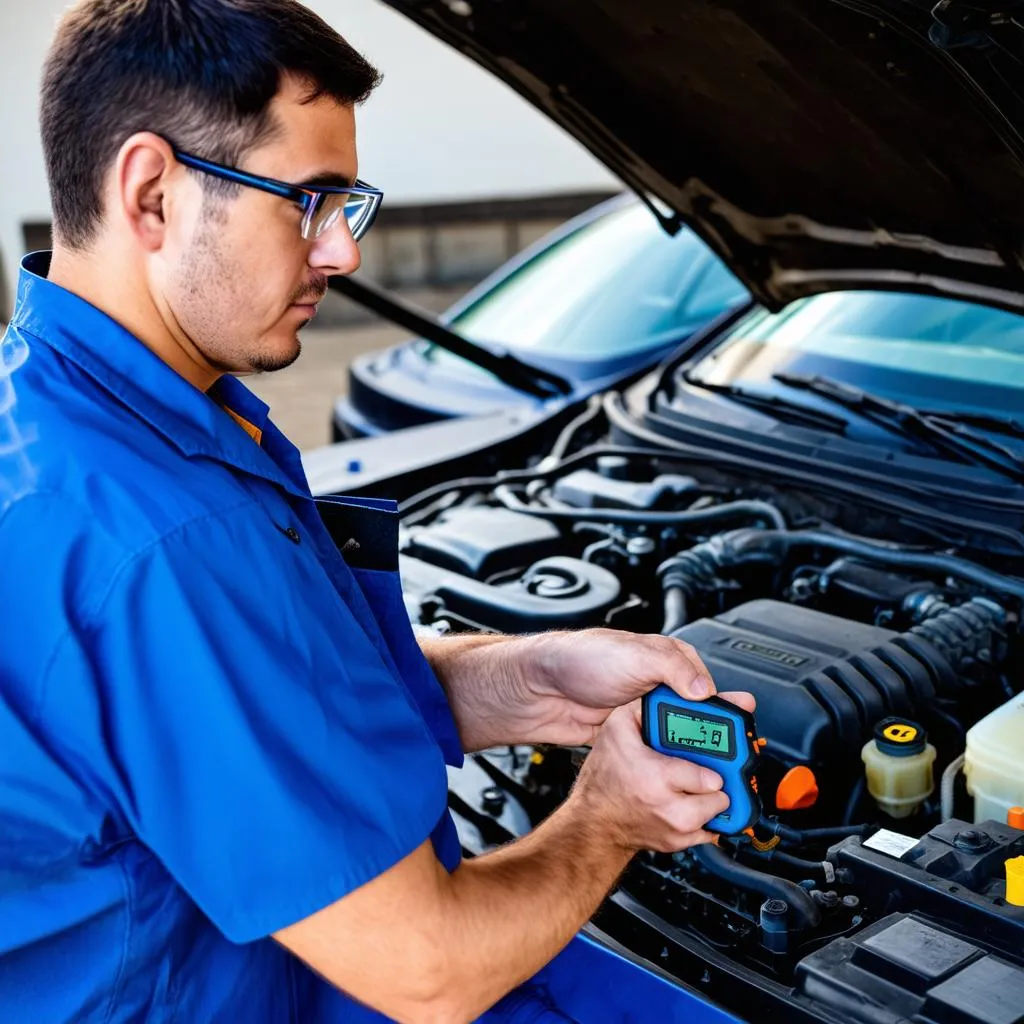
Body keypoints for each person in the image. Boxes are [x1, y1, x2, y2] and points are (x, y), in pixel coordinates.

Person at [0, 1, 753, 1020]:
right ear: (152, 193)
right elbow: (427, 971)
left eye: (347, 205)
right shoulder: (159, 537)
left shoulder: (67, 407)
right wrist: (606, 819)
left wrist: (526, 675)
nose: (342, 253)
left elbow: (277, 688)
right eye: (307, 201)